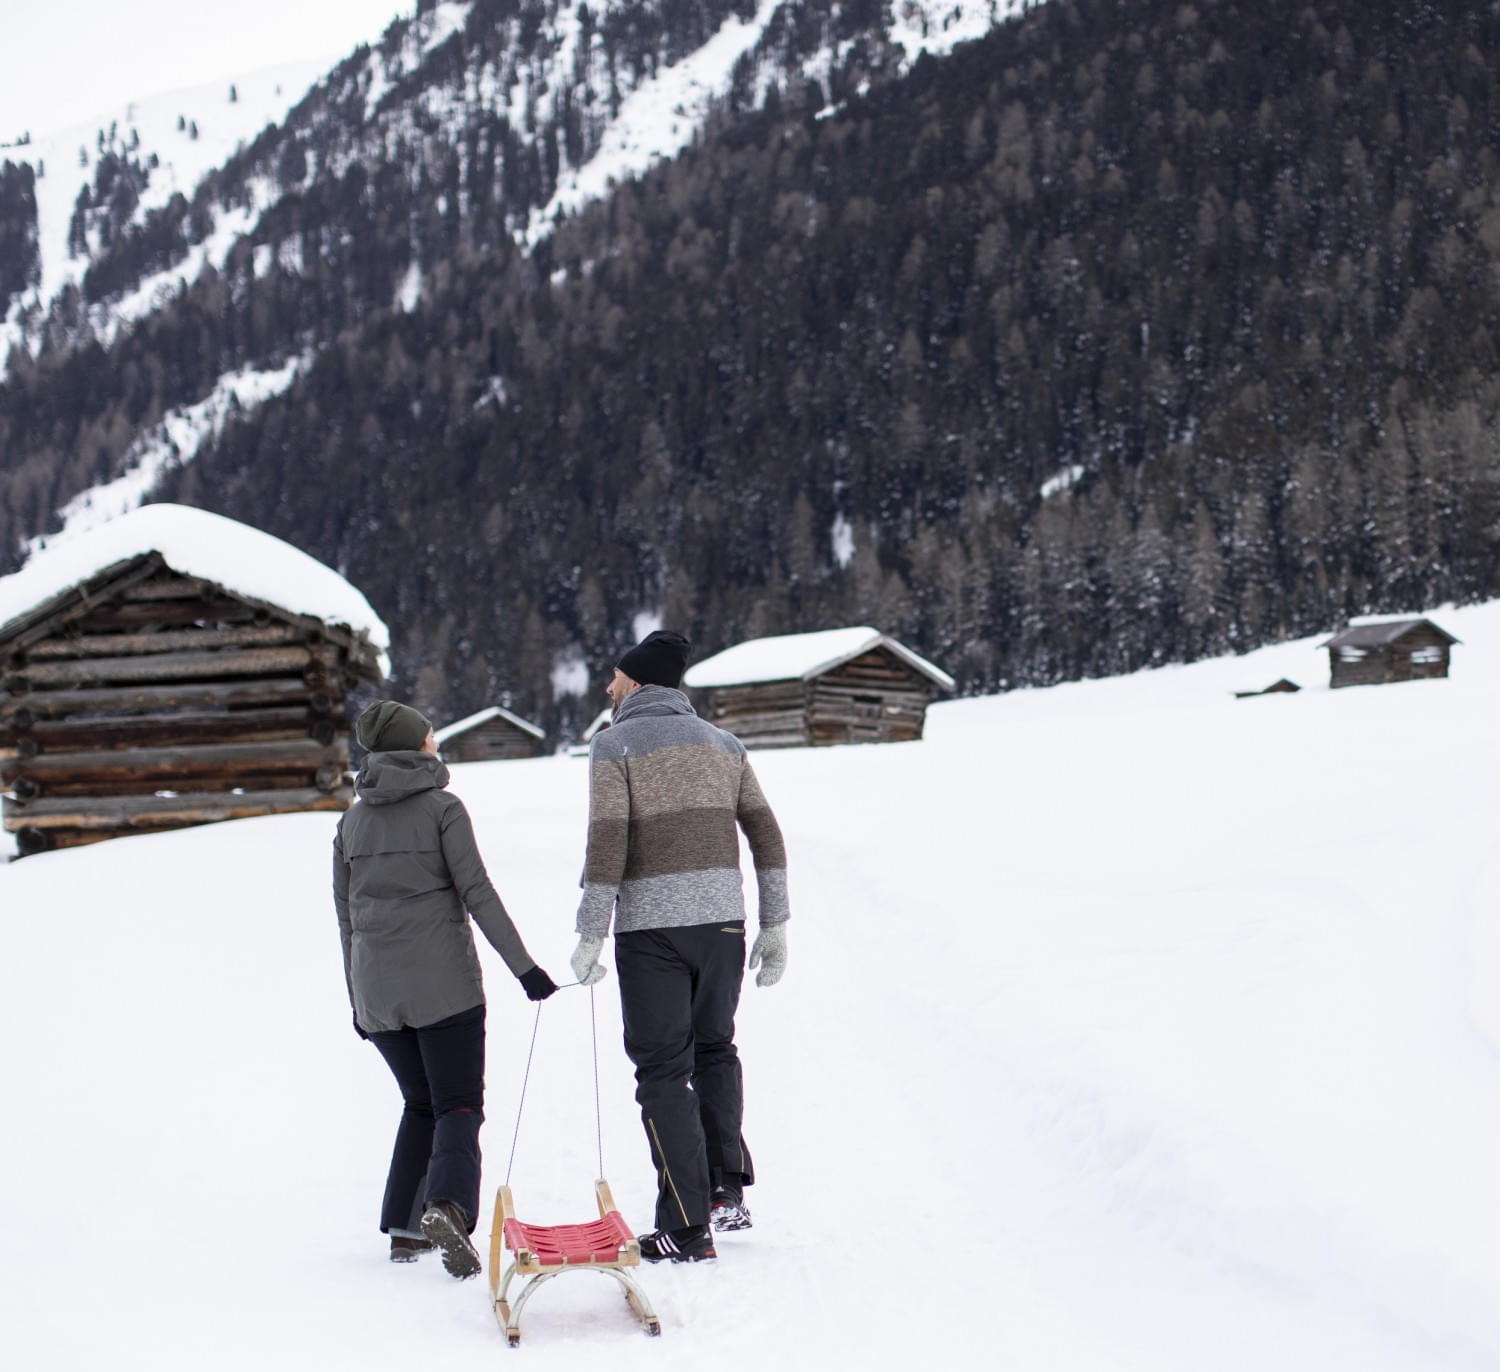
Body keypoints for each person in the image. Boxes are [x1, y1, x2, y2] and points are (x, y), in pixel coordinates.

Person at [571, 630, 789, 1264]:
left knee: (664, 1070)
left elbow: (607, 843)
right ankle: (724, 1191)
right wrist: (774, 923)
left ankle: (687, 1226)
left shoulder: (613, 745)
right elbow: (768, 837)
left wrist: (590, 931)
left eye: (614, 677)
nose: (608, 688)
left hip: (652, 934)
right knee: (715, 1049)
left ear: (635, 683)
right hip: (724, 926)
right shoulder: (726, 744)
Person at [334, 699, 557, 1277]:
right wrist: (525, 968)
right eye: (429, 733)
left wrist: (357, 998)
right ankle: (448, 1206)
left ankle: (407, 1230)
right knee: (457, 1103)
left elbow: (345, 917)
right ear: (414, 744)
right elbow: (477, 891)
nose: (436, 740)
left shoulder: (351, 821)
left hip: (378, 992)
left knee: (419, 1103)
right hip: (444, 989)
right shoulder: (443, 808)